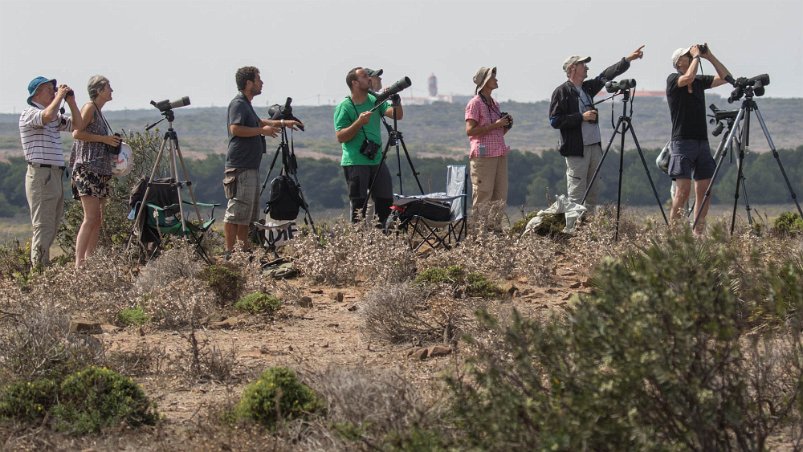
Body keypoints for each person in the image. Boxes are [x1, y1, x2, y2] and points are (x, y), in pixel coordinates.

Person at [549, 46, 645, 210]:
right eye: (583, 65)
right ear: (572, 68)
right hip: (577, 150)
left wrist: (627, 60)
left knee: (593, 194)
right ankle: (574, 231)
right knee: (576, 195)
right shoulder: (561, 91)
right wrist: (581, 117)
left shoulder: (586, 88)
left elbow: (606, 75)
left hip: (594, 147)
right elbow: (555, 120)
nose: (586, 67)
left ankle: (588, 229)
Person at [223, 66, 302, 254]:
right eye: (258, 79)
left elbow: (261, 122)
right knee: (235, 213)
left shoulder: (246, 104)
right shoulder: (238, 103)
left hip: (249, 166)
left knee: (247, 215)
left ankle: (244, 251)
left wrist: (283, 123)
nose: (262, 82)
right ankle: (229, 253)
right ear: (248, 83)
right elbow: (235, 129)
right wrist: (262, 132)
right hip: (240, 167)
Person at [667, 44, 732, 235]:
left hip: (701, 142)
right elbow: (687, 78)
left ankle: (698, 235)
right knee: (682, 192)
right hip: (682, 141)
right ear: (678, 61)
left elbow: (725, 77)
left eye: (691, 54)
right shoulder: (673, 79)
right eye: (687, 55)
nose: (691, 56)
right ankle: (675, 235)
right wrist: (696, 57)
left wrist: (709, 56)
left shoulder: (698, 81)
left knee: (704, 191)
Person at [19, 76, 83, 267]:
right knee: (43, 226)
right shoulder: (29, 113)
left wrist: (71, 101)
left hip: (54, 175)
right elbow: (45, 117)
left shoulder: (54, 116)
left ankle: (41, 267)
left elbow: (78, 125)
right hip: (41, 175)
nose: (54, 92)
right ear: (36, 93)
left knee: (52, 225)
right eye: (50, 89)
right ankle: (39, 272)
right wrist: (61, 96)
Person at [334, 67, 403, 225]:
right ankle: (358, 242)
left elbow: (397, 115)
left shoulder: (374, 100)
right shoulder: (345, 106)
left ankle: (381, 239)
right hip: (355, 161)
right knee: (359, 205)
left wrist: (397, 101)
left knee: (385, 200)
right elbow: (340, 137)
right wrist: (359, 122)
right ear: (355, 83)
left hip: (376, 160)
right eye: (365, 77)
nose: (369, 79)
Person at [70, 75, 121, 268]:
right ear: (99, 90)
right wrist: (104, 139)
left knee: (97, 219)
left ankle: (90, 260)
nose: (111, 90)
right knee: (90, 217)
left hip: (100, 170)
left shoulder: (99, 112)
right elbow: (77, 132)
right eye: (108, 87)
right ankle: (79, 262)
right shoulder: (89, 108)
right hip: (87, 168)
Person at [465, 66, 512, 214]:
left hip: (498, 153)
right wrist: (495, 125)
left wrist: (506, 126)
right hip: (483, 156)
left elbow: (495, 134)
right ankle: (480, 233)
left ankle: (495, 231)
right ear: (485, 82)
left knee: (500, 195)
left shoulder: (494, 103)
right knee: (483, 195)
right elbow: (470, 130)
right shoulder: (475, 103)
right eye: (493, 77)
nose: (496, 79)